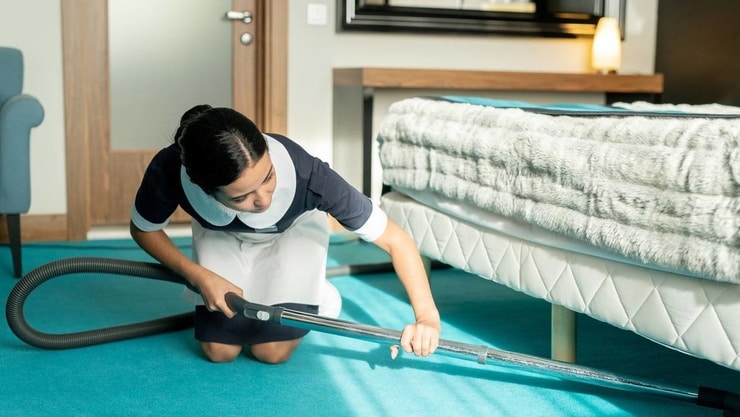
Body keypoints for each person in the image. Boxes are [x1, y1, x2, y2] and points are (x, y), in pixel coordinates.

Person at [130, 105, 441, 364]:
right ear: (205, 189)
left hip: (292, 233)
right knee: (219, 352)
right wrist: (198, 275)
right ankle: (284, 293)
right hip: (220, 234)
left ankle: (317, 296)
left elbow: (396, 240)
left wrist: (427, 318)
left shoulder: (311, 177)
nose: (263, 200)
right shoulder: (170, 169)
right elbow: (143, 229)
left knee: (271, 353)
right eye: (242, 196)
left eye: (268, 177)